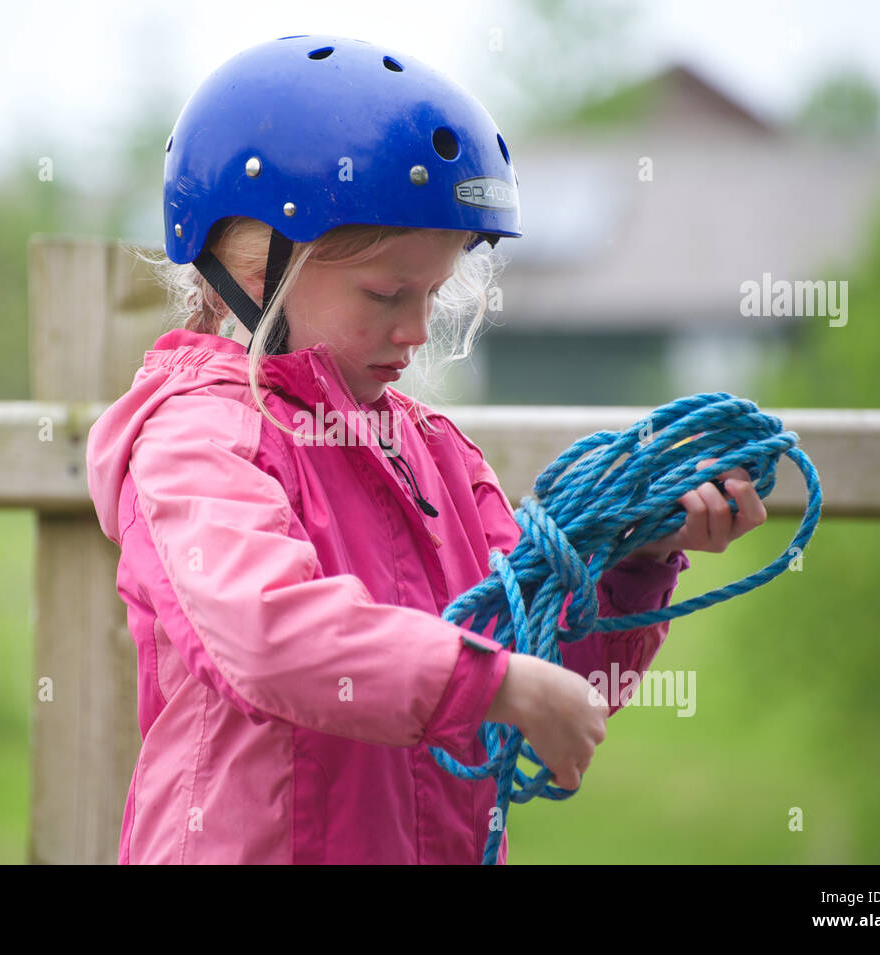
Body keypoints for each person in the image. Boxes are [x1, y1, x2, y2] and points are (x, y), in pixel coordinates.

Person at [86, 34, 766, 864]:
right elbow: (267, 635)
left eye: (434, 293)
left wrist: (637, 558)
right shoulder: (196, 440)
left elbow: (539, 662)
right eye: (385, 293)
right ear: (258, 269)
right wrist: (492, 680)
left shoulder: (435, 455)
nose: (415, 330)